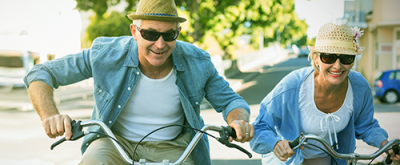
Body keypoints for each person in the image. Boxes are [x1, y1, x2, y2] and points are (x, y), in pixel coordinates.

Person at [23, 0, 254, 164]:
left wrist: (238, 122)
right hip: (115, 144)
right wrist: (50, 115)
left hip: (175, 147)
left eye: (169, 35)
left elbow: (231, 102)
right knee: (93, 161)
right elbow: (41, 73)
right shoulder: (105, 54)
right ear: (135, 31)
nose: (160, 44)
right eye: (151, 34)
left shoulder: (198, 61)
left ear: (178, 33)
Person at [249, 23, 400, 165]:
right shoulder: (292, 86)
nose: (337, 66)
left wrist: (385, 144)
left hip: (324, 159)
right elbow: (260, 126)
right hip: (286, 159)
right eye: (328, 57)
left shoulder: (360, 87)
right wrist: (275, 144)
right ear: (315, 58)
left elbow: (366, 126)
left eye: (346, 58)